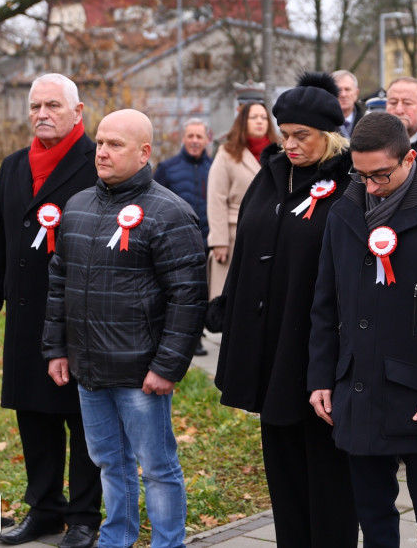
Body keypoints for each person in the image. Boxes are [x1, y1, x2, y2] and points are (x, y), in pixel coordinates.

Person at [308, 111, 417, 548]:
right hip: (358, 390)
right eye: (361, 175)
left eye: (381, 176)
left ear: (409, 158)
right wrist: (321, 378)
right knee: (374, 521)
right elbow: (325, 304)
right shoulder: (344, 212)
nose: (370, 187)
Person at [43, 109, 206, 548]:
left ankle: (167, 543)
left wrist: (167, 367)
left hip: (141, 375)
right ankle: (116, 539)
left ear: (144, 152)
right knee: (109, 464)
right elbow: (59, 284)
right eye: (100, 143)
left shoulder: (170, 213)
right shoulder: (77, 207)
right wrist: (56, 349)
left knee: (157, 467)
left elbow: (188, 299)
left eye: (115, 144)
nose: (102, 152)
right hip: (89, 371)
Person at [215, 72, 358, 548]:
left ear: (331, 136)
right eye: (286, 134)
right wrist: (229, 311)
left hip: (318, 349)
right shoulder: (271, 175)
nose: (291, 144)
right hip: (269, 344)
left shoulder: (349, 187)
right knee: (281, 463)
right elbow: (246, 251)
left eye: (303, 136)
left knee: (326, 466)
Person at [0, 73, 101, 548]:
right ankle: (44, 509)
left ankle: (85, 515)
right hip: (27, 314)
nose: (41, 114)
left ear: (77, 112)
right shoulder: (13, 166)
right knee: (33, 414)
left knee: (83, 418)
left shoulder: (96, 162)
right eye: (35, 106)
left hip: (81, 315)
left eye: (52, 105)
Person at [206, 101, 278, 299]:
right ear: (242, 121)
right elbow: (216, 198)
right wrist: (219, 241)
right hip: (233, 234)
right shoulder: (227, 153)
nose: (259, 122)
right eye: (253, 117)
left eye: (264, 117)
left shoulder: (280, 153)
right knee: (232, 297)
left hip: (271, 231)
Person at [154, 118, 213, 356]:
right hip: (177, 243)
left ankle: (197, 337)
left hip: (208, 241)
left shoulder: (215, 168)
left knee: (203, 293)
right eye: (191, 136)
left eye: (199, 137)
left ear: (207, 139)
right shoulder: (167, 169)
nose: (195, 141)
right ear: (183, 138)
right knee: (181, 293)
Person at [333, 70, 365, 139]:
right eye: (338, 90)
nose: (343, 94)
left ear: (356, 93)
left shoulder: (367, 123)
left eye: (347, 89)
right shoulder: (322, 125)